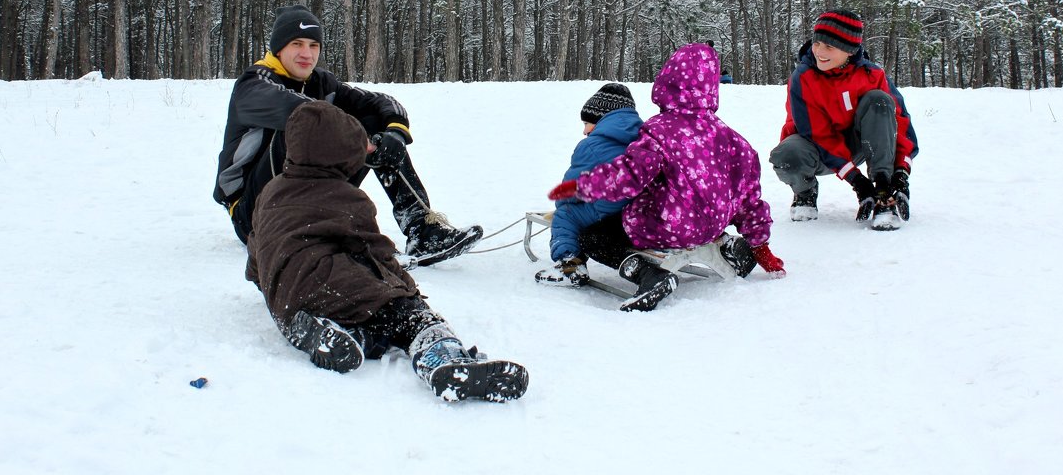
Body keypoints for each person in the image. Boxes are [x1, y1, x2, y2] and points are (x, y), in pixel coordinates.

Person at [246, 100, 528, 402]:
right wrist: (405, 291)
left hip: (284, 295)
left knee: (365, 317)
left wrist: (273, 284)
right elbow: (374, 251)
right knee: (404, 316)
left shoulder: (270, 191)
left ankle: (338, 333)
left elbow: (255, 255)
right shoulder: (347, 198)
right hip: (329, 282)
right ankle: (445, 359)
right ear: (342, 154)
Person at [214, 4, 482, 264]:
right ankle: (328, 230)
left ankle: (421, 229)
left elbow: (382, 102)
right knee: (306, 125)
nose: (306, 53)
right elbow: (302, 112)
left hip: (310, 204)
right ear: (279, 47)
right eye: (297, 44)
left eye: (313, 45)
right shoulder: (254, 84)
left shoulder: (321, 83)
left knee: (373, 121)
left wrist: (394, 136)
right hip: (254, 213)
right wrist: (358, 141)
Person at [547, 43, 785, 312]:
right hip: (712, 227)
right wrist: (760, 244)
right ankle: (731, 249)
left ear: (666, 81)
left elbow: (628, 177)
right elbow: (749, 197)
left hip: (662, 226)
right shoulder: (733, 139)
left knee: (595, 237)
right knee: (704, 212)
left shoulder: (657, 131)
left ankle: (647, 274)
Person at [769, 8, 919, 231]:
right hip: (816, 150)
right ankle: (805, 192)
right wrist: (857, 182)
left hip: (861, 145)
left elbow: (900, 124)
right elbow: (818, 133)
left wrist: (900, 174)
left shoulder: (872, 75)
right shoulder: (803, 78)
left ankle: (883, 193)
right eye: (817, 43)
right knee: (786, 156)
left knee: (879, 100)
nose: (819, 51)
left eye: (829, 46)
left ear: (849, 51)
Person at [534, 83, 643, 287]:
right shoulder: (643, 140)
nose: (584, 131)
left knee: (566, 213)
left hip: (604, 213)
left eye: (587, 123)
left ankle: (569, 262)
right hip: (634, 212)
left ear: (602, 120)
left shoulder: (591, 146)